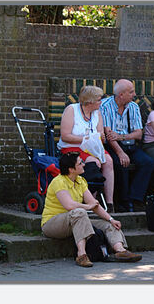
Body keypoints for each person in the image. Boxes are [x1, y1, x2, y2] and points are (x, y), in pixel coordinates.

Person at [41, 152, 142, 267]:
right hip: (52, 224)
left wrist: (111, 219)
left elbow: (94, 205)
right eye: (80, 163)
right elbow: (69, 205)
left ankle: (120, 251)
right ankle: (82, 255)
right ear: (71, 169)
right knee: (80, 212)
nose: (84, 164)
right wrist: (87, 207)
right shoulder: (58, 182)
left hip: (75, 219)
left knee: (108, 224)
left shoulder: (80, 181)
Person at [100, 79, 154, 213]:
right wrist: (120, 152)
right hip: (112, 145)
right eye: (131, 92)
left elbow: (138, 134)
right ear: (121, 95)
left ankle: (135, 199)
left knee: (148, 162)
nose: (134, 94)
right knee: (119, 163)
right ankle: (123, 201)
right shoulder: (104, 106)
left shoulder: (133, 107)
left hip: (129, 144)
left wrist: (122, 137)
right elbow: (108, 134)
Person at [57, 85, 115, 213]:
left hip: (91, 147)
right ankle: (91, 201)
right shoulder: (71, 110)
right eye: (99, 99)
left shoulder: (97, 113)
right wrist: (87, 138)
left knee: (109, 161)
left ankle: (109, 203)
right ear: (90, 101)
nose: (101, 102)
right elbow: (65, 136)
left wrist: (102, 137)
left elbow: (100, 134)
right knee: (94, 162)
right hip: (72, 147)